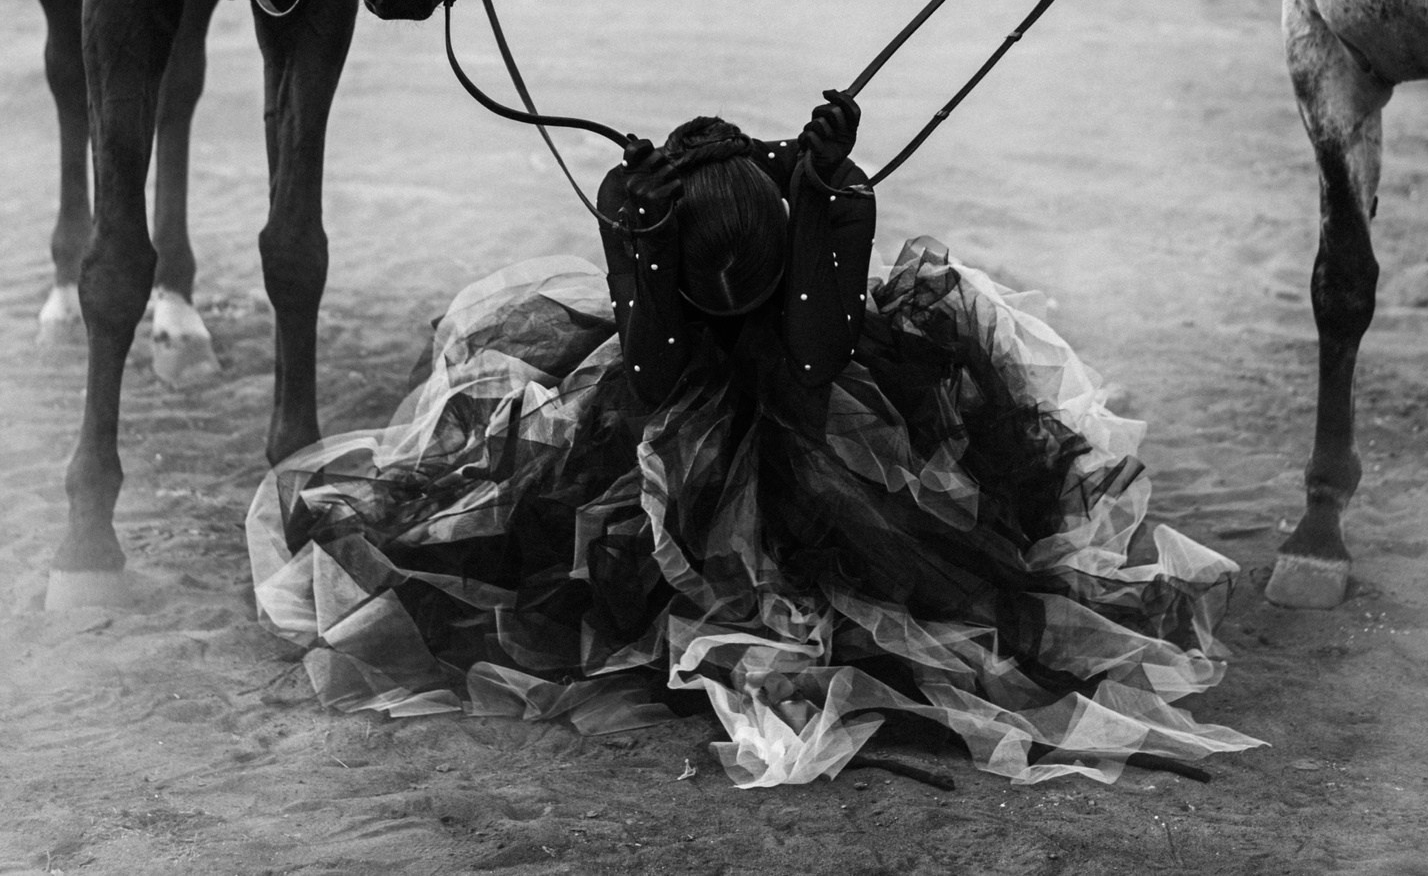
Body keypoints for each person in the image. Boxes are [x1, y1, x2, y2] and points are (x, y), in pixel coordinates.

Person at [247, 94, 1258, 786]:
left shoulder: (744, 335)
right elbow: (674, 363)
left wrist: (778, 195)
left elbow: (727, 358)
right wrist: (798, 195)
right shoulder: (738, 336)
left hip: (774, 444)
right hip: (733, 433)